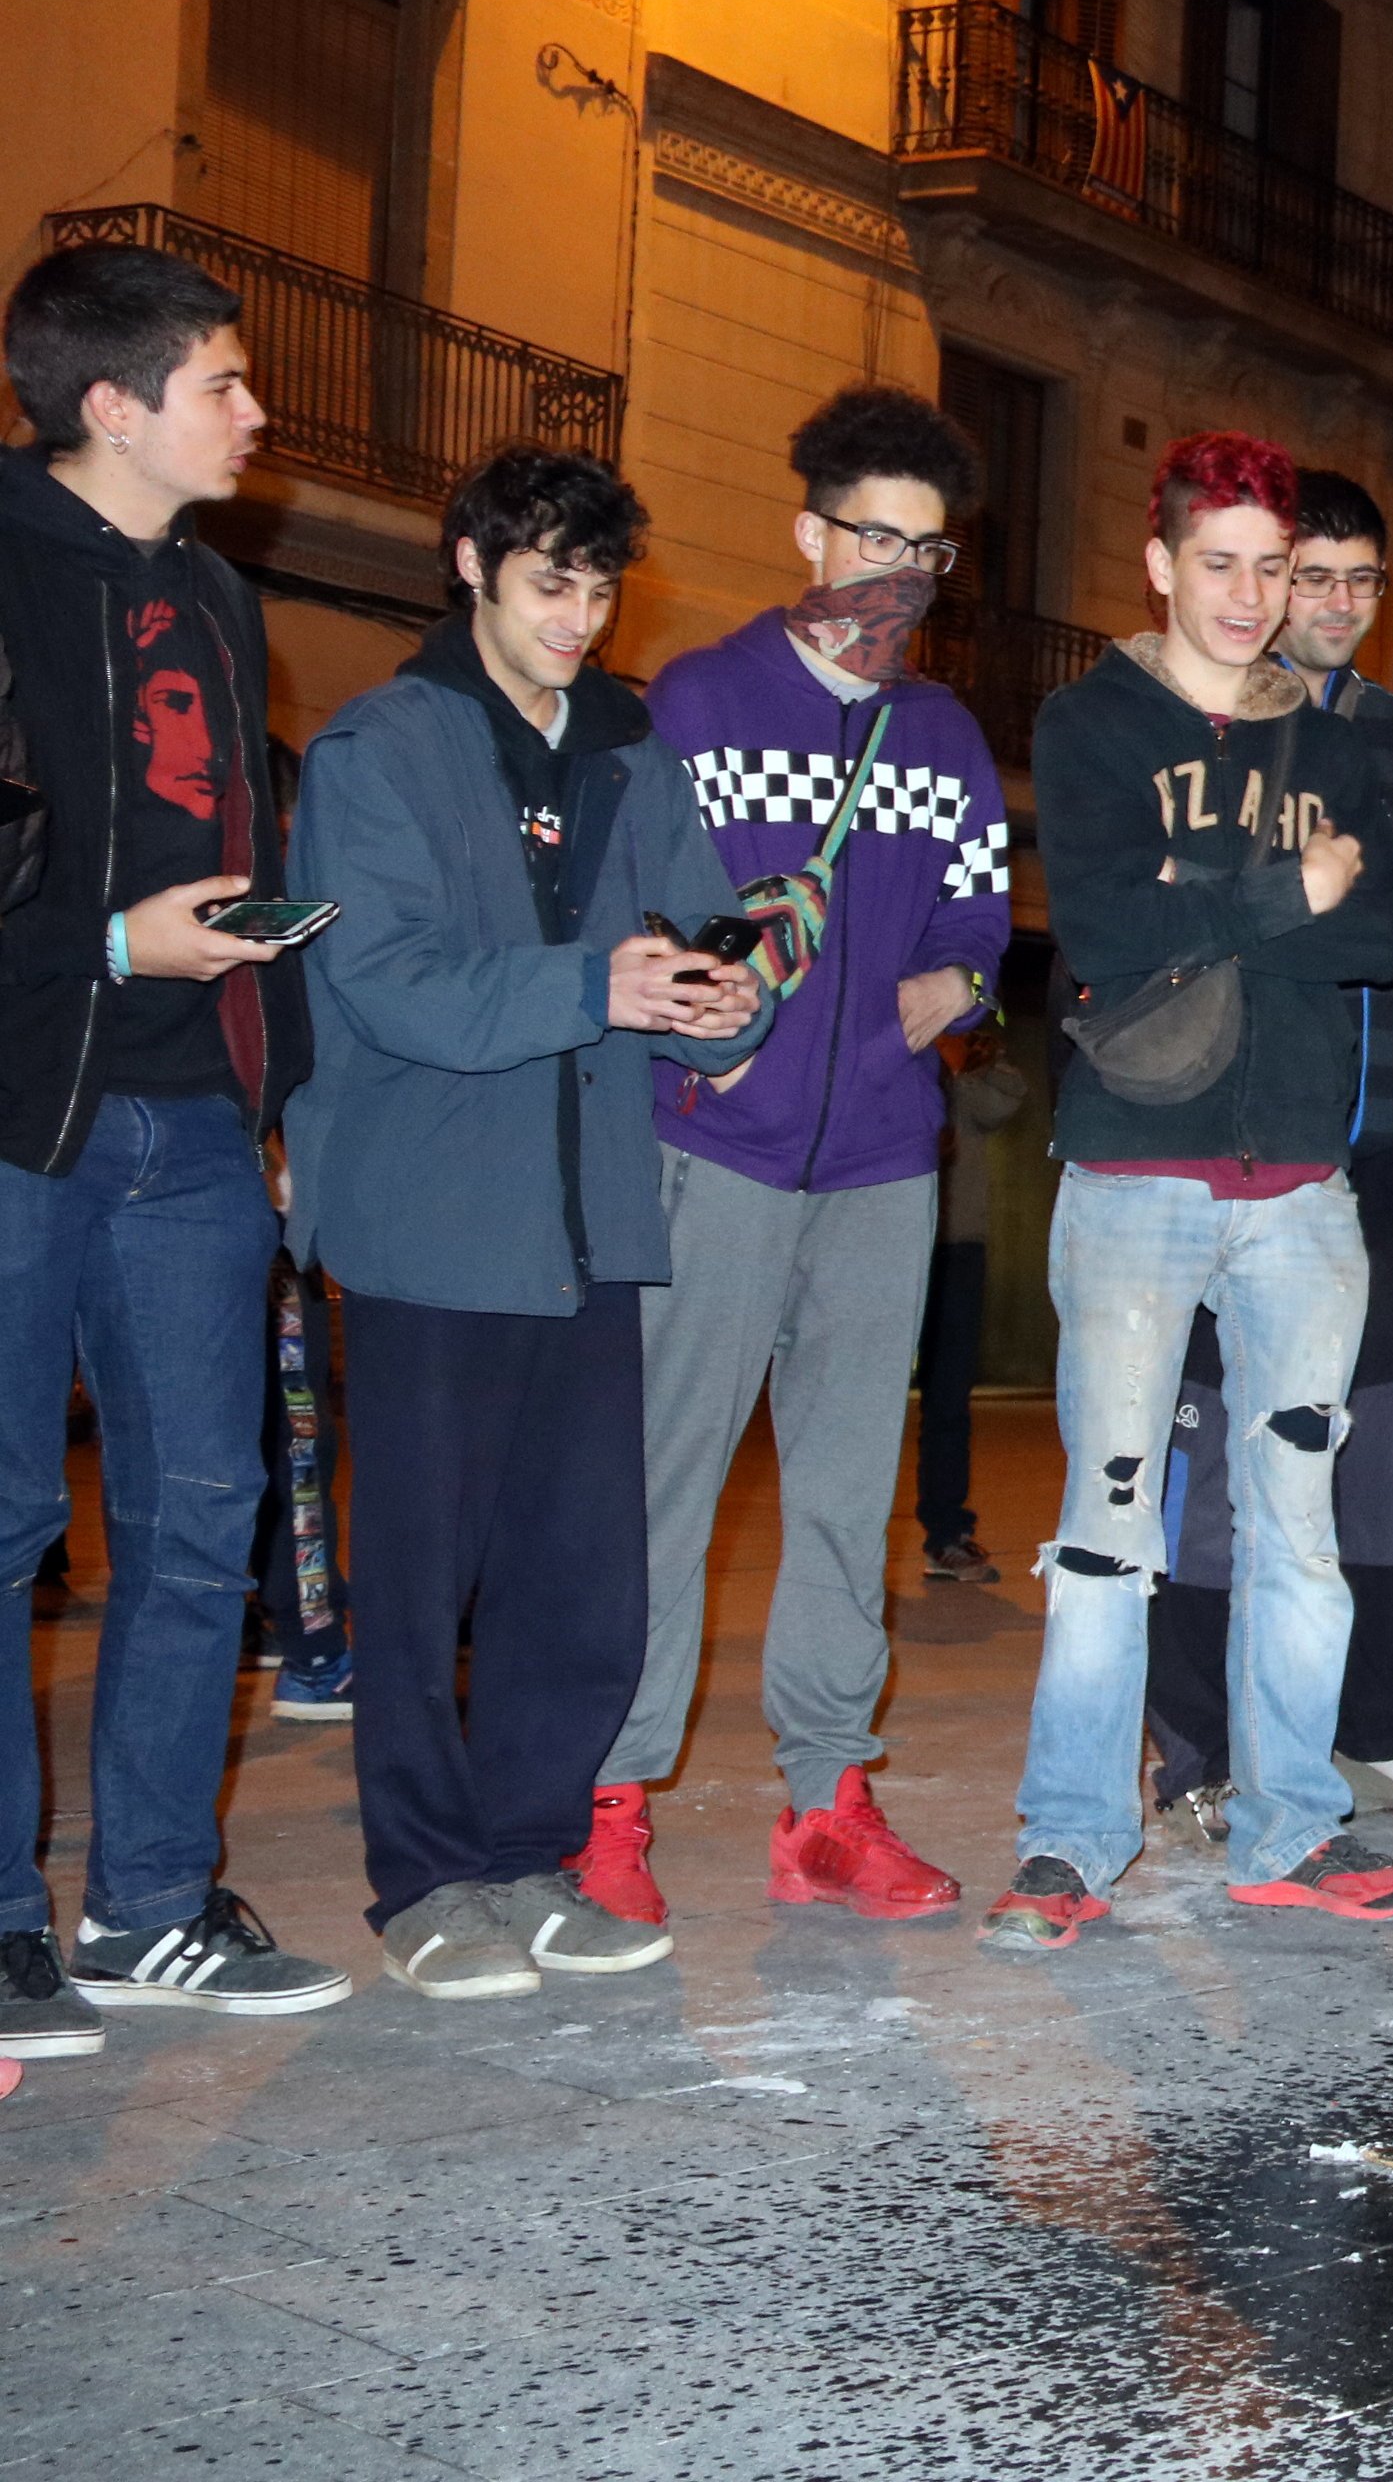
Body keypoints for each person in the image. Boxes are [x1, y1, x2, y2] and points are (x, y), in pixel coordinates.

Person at [291, 446, 771, 1995]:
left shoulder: (631, 751)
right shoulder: (381, 746)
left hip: (590, 1223)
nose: (580, 616)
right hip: (433, 1219)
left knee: (582, 1571)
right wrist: (600, 984)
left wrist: (725, 1001)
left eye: (600, 585)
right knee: (423, 1576)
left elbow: (697, 938)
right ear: (470, 565)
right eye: (550, 581)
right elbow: (386, 979)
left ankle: (531, 1851)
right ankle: (427, 1880)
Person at [977, 432, 1393, 1951]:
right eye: (1218, 564)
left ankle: (1294, 1826)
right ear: (1161, 565)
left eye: (1273, 569)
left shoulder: (1354, 736)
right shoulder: (1090, 722)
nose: (1249, 596)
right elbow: (1097, 924)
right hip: (1134, 1172)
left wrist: (1212, 913)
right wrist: (1293, 890)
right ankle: (1074, 1836)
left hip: (1303, 1185)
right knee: (1111, 1524)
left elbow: (1386, 940)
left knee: (1297, 1525)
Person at [584, 386, 1007, 1930]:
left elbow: (980, 920)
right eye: (869, 536)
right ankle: (612, 1800)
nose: (894, 573)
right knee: (664, 1487)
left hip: (886, 1164)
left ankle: (827, 1802)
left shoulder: (946, 735)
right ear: (807, 532)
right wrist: (706, 1017)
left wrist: (952, 987)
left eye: (926, 548)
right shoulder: (692, 704)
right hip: (718, 1151)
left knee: (845, 1494)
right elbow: (636, 913)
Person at [0, 240, 349, 2048]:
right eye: (223, 380)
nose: (256, 410)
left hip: (197, 1118)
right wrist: (113, 942)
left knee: (206, 1517)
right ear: (113, 402)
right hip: (19, 1106)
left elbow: (248, 831)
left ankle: (148, 1904)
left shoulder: (221, 594)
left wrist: (266, 1088)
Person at [1135, 473, 1393, 1819]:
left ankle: (1371, 1712)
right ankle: (1199, 1746)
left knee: (1384, 1451)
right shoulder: (1201, 713)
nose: (1331, 605)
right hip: (1230, 1135)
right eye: (1307, 575)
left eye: (1357, 582)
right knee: (1220, 1463)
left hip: (1375, 1147)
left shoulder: (1384, 724)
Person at [914, 1026, 1026, 1581]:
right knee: (856, 1395)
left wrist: (950, 1065)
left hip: (957, 1243)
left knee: (948, 1399)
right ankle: (839, 1541)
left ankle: (948, 1535)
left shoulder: (986, 1060)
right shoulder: (890, 1025)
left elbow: (1001, 1104)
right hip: (884, 1238)